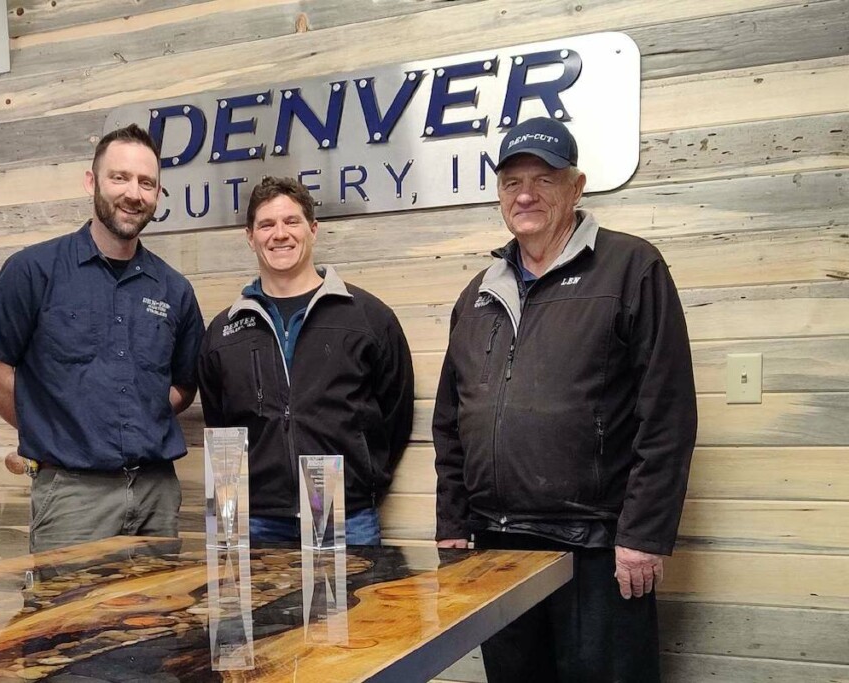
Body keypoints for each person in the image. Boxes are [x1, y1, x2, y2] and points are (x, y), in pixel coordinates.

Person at [432, 117, 697, 681]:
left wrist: (644, 536)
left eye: (544, 179)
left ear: (575, 187)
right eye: (511, 183)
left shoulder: (630, 267)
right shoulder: (478, 293)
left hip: (598, 547)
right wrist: (453, 520)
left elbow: (667, 413)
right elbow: (451, 420)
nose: (525, 194)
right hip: (496, 544)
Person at [0, 124, 204, 553]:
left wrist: (132, 415)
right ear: (92, 181)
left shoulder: (174, 289)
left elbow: (183, 385)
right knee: (70, 619)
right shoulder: (33, 271)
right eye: (120, 177)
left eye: (146, 183)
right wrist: (57, 429)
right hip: (72, 496)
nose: (134, 193)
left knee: (164, 620)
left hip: (157, 493)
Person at [197, 177, 414, 545]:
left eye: (291, 222)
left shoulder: (367, 317)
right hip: (256, 520)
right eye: (266, 225)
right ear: (250, 237)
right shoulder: (224, 331)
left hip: (340, 512)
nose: (279, 234)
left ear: (312, 229)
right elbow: (220, 423)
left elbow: (394, 411)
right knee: (258, 607)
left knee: (347, 606)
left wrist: (364, 473)